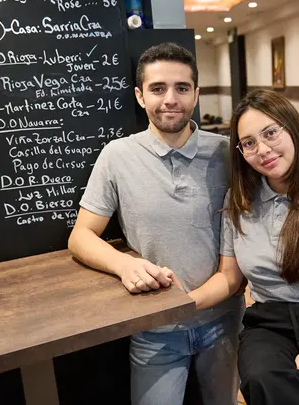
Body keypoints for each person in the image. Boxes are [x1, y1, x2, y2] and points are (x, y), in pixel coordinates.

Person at [69, 42, 244, 405]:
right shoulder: (117, 155)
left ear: (196, 94)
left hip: (225, 322)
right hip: (152, 327)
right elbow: (81, 236)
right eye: (157, 88)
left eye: (182, 88)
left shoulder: (228, 153)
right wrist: (125, 265)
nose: (170, 99)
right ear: (139, 95)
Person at [186, 90, 299, 405]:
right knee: (261, 379)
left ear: (292, 128)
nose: (263, 149)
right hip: (268, 326)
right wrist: (182, 304)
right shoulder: (239, 201)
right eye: (249, 143)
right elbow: (230, 279)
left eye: (271, 133)